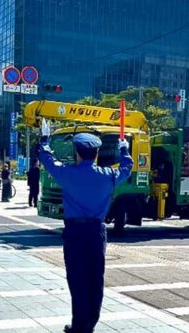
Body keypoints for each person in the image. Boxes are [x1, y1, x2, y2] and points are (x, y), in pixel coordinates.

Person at [39, 119, 133, 333]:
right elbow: (127, 168)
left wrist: (45, 139)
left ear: (78, 153)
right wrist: (124, 149)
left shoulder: (67, 173)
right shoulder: (108, 176)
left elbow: (47, 159)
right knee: (95, 278)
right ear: (96, 154)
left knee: (77, 279)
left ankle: (79, 325)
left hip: (74, 233)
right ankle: (89, 323)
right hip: (96, 233)